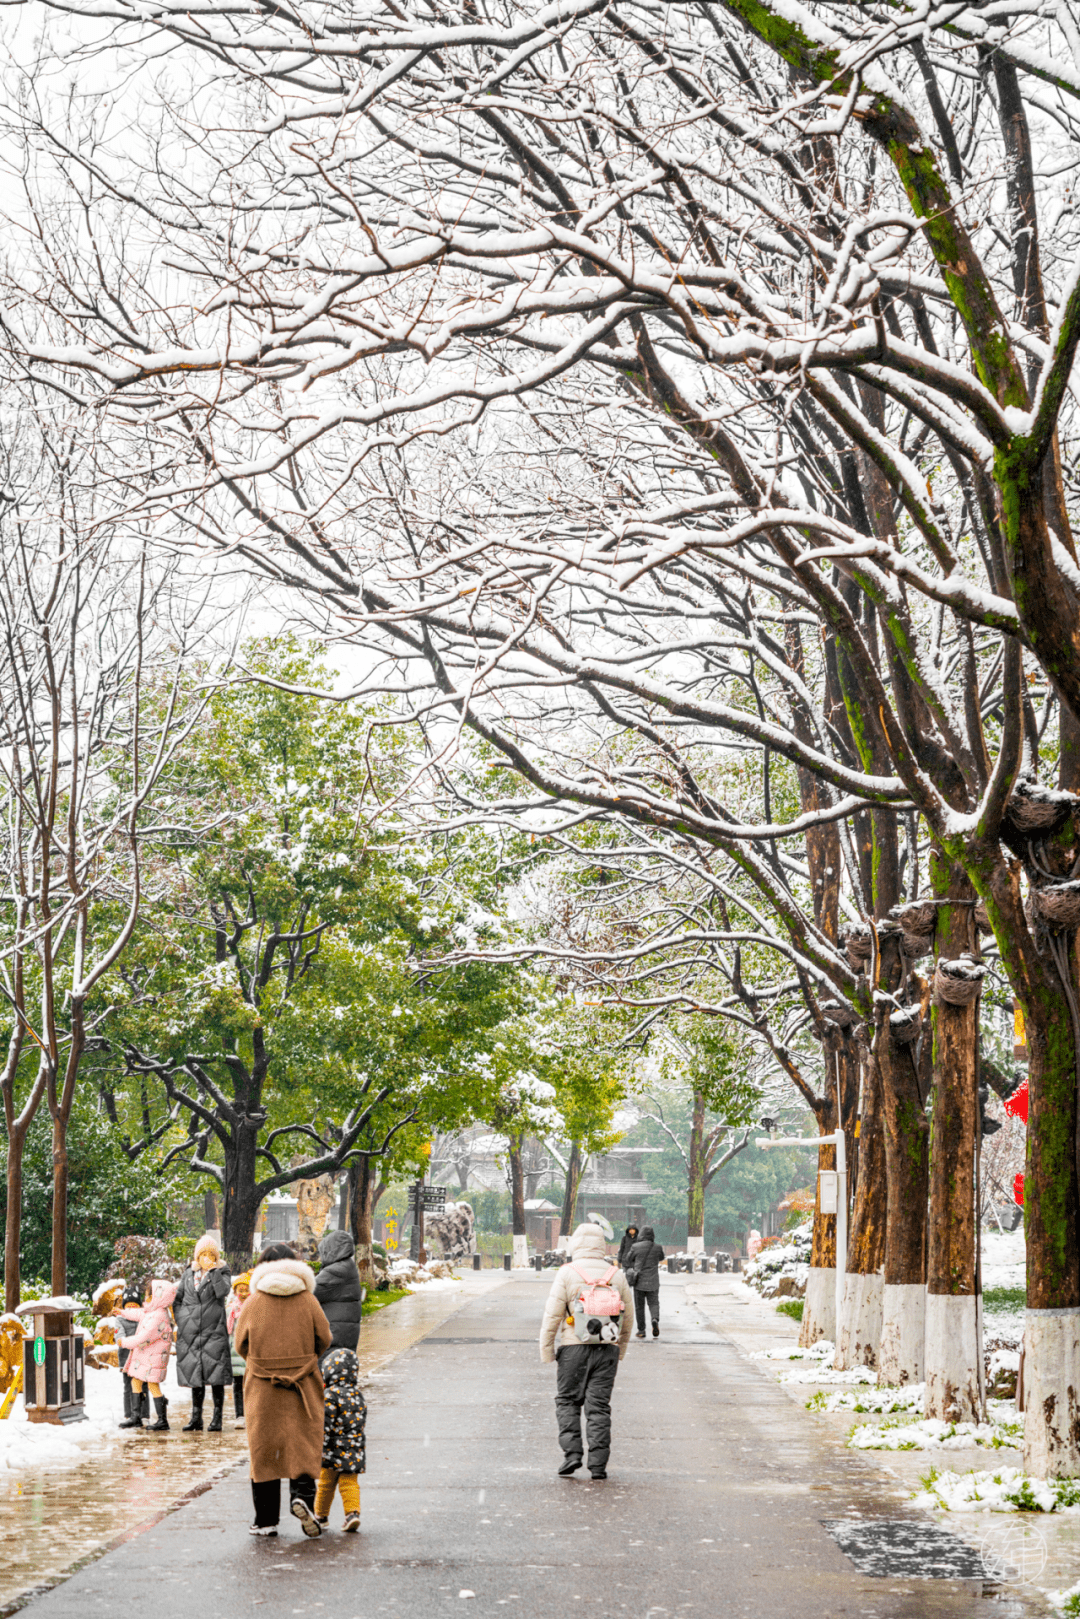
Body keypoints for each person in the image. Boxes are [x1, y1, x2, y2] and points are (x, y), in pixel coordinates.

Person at [235, 1240, 333, 1538]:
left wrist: (263, 1362)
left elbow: (240, 1344)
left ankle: (265, 1520)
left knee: (264, 1451)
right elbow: (325, 1338)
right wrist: (303, 1358)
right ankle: (301, 1497)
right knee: (303, 1443)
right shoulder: (308, 1300)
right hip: (302, 1384)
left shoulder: (253, 1303)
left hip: (263, 1386)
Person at [538, 1223, 633, 1481]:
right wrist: (619, 1350)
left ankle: (572, 1454)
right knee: (599, 1407)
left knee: (568, 1400)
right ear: (601, 1245)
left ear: (575, 1244)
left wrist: (547, 1350)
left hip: (572, 1349)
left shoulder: (567, 1273)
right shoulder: (617, 1274)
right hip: (606, 1349)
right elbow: (629, 1318)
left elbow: (553, 1315)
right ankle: (598, 1465)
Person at [174, 1233, 232, 1432]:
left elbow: (222, 1292)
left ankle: (217, 1418)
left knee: (216, 1376)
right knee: (195, 1374)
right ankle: (196, 1417)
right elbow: (178, 1299)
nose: (207, 1257)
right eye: (203, 1254)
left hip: (213, 1330)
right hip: (191, 1332)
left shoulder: (223, 1271)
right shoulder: (188, 1273)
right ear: (197, 1256)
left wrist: (214, 1271)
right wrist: (182, 1320)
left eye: (211, 1254)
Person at [315, 1346, 367, 1532]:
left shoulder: (330, 1395)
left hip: (332, 1450)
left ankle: (320, 1516)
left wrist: (319, 1444)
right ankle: (352, 1514)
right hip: (354, 1449)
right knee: (349, 1483)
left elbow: (325, 1424)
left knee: (325, 1483)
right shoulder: (357, 1395)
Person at [125, 1278, 178, 1432]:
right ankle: (136, 1416)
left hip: (153, 1357)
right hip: (146, 1355)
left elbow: (145, 1336)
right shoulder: (152, 1311)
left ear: (158, 1297)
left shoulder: (159, 1316)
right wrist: (122, 1312)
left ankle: (162, 1420)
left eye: (149, 1294)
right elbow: (138, 1313)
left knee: (153, 1385)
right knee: (136, 1381)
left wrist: (125, 1342)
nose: (146, 1297)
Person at [313, 1229, 363, 1351]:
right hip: (342, 1330)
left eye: (324, 1251)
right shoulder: (346, 1266)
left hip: (335, 1333)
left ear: (332, 1250)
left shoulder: (337, 1270)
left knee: (327, 1367)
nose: (321, 1255)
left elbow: (310, 1291)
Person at [115, 1283, 149, 1429]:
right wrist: (133, 1342)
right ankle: (129, 1414)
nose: (131, 1309)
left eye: (134, 1305)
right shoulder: (120, 1319)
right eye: (128, 1306)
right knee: (128, 1386)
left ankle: (144, 1414)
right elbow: (120, 1338)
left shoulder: (145, 1317)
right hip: (126, 1359)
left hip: (144, 1358)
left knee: (144, 1386)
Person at [626, 1225, 665, 1339]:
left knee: (639, 1306)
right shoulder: (658, 1247)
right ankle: (654, 1319)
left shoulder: (635, 1246)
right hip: (653, 1281)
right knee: (653, 1303)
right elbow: (661, 1257)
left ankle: (641, 1330)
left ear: (641, 1234)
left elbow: (628, 1259)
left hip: (639, 1281)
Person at [227, 1272, 251, 1429]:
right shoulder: (230, 1310)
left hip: (250, 1354)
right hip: (235, 1354)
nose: (243, 1293)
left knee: (251, 1386)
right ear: (235, 1292)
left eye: (246, 1289)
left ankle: (251, 1414)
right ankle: (240, 1415)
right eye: (240, 1290)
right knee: (237, 1386)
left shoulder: (254, 1309)